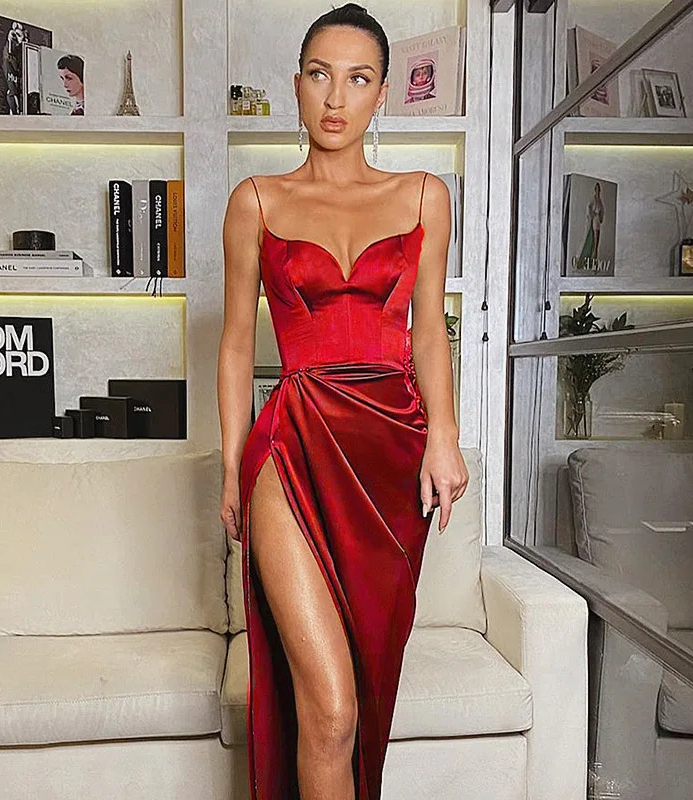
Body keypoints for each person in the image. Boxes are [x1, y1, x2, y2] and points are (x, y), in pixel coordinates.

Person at [217, 4, 469, 799]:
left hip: (390, 454)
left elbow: (429, 333)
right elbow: (234, 345)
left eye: (358, 79)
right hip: (288, 450)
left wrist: (445, 436)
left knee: (364, 700)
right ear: (296, 84)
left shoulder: (424, 196)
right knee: (327, 710)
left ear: (382, 94)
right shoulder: (256, 201)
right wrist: (230, 470)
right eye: (320, 76)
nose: (336, 98)